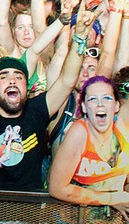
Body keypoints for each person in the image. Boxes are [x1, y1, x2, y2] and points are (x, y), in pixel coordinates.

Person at [0, 0, 95, 191]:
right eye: (4, 77)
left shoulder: (37, 110)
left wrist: (80, 38)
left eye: (18, 76)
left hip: (29, 207)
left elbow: (67, 81)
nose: (12, 81)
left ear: (27, 86)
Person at [48, 76, 129, 207]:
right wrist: (110, 199)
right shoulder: (79, 133)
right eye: (92, 99)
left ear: (117, 105)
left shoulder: (123, 130)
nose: (100, 104)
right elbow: (57, 189)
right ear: (84, 107)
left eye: (107, 98)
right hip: (75, 217)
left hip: (115, 217)